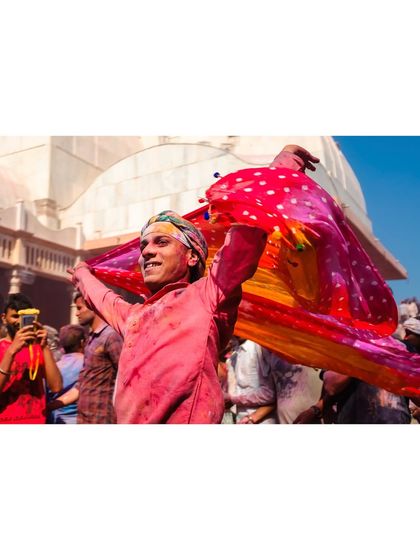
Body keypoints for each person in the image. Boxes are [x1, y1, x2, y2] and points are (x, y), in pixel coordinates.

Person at [67, 145, 320, 424]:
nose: (147, 252)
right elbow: (99, 296)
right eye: (143, 246)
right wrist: (81, 272)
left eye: (161, 242)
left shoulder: (208, 296)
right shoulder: (133, 317)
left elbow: (247, 232)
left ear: (191, 257)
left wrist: (283, 166)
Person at [0, 293, 63, 423]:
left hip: (36, 420)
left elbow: (56, 387)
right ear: (4, 318)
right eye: (15, 316)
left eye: (24, 317)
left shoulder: (38, 349)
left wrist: (44, 346)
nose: (19, 322)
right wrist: (12, 350)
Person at [72, 292, 123, 424]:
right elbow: (81, 384)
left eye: (79, 308)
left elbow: (126, 376)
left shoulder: (111, 336)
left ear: (93, 306)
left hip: (101, 419)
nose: (76, 313)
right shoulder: (92, 338)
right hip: (84, 418)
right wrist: (52, 404)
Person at [224, 338, 277, 424]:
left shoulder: (259, 348)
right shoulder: (232, 358)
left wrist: (232, 399)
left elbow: (269, 394)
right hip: (242, 420)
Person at [47, 324, 86, 424]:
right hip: (77, 420)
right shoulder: (87, 364)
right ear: (82, 342)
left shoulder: (53, 367)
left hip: (54, 419)